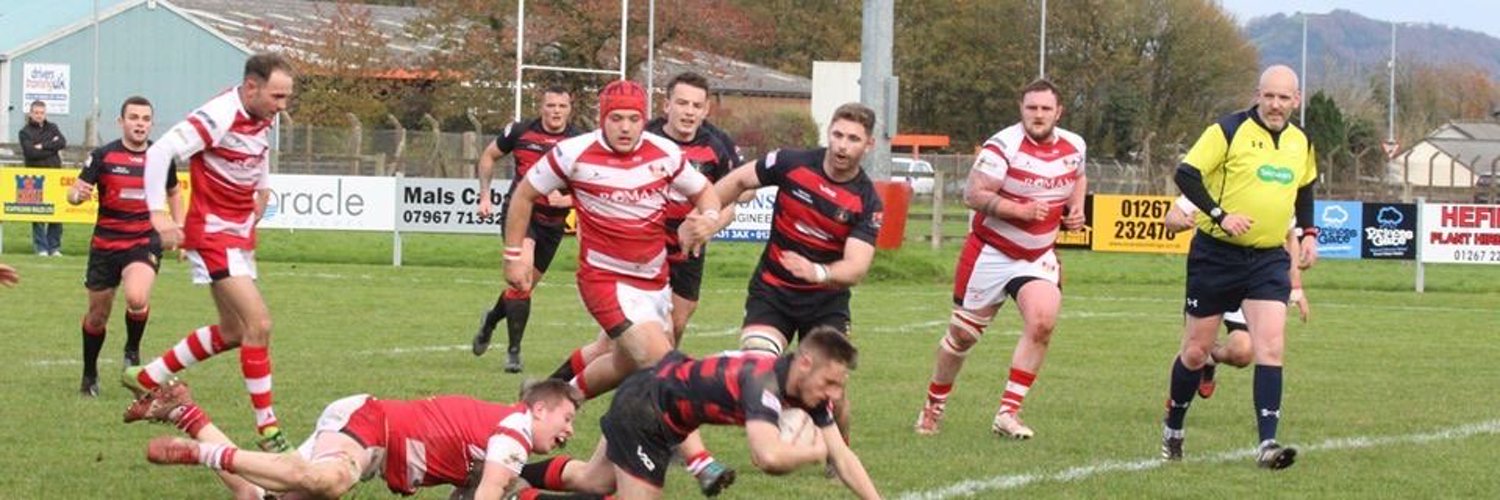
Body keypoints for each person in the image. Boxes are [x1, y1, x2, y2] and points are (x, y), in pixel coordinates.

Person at [504, 79, 729, 495]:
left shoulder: (664, 153)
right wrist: (514, 254)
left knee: (626, 363)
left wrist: (708, 218)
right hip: (604, 279)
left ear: (645, 119)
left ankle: (545, 404)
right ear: (601, 118)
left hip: (654, 282)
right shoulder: (573, 152)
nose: (626, 127)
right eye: (616, 118)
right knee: (663, 361)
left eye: (634, 119)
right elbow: (524, 196)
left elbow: (706, 193)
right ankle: (701, 462)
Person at [125, 52, 297, 453]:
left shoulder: (261, 112)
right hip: (213, 233)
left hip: (238, 231)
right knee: (260, 324)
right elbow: (159, 152)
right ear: (251, 87)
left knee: (236, 332)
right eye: (277, 96)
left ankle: (149, 376)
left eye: (287, 97)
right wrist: (158, 214)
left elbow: (260, 150)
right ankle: (269, 430)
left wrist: (262, 187)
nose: (282, 106)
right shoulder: (219, 114)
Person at [1159, 65, 1318, 470]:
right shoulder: (1227, 131)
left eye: (1284, 98)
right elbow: (1186, 173)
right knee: (1195, 352)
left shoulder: (1302, 142)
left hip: (1267, 258)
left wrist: (1310, 233)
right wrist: (1220, 213)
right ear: (1258, 95)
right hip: (1217, 254)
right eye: (1269, 96)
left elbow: (1304, 189)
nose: (1276, 105)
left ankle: (1267, 444)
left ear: (1296, 100)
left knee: (1270, 348)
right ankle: (1173, 427)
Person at [913, 79, 1087, 439]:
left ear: (1059, 112)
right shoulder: (1002, 146)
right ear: (1021, 109)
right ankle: (933, 405)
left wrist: (1076, 207)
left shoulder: (1075, 146)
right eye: (1031, 108)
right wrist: (1018, 210)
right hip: (991, 253)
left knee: (1042, 322)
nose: (1038, 115)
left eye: (1045, 109)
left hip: (1038, 255)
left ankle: (1008, 413)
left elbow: (1078, 176)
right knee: (962, 337)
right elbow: (973, 194)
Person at [518, 328, 880, 500]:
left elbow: (844, 457)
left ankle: (509, 480)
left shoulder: (807, 391)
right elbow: (767, 457)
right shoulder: (763, 383)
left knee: (592, 483)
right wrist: (813, 452)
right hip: (646, 410)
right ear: (804, 363)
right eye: (830, 382)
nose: (834, 393)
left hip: (659, 404)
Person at [547, 72, 743, 383]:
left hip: (686, 250)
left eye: (696, 105)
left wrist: (708, 224)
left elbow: (739, 194)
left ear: (706, 110)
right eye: (681, 103)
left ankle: (654, 389)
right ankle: (554, 388)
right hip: (637, 249)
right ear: (666, 105)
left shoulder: (719, 146)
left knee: (674, 326)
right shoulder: (640, 134)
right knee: (611, 343)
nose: (688, 111)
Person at [709, 102, 884, 449]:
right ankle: (773, 443)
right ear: (828, 133)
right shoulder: (791, 162)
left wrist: (817, 272)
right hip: (772, 291)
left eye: (852, 139)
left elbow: (857, 267)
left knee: (829, 388)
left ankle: (840, 449)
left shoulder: (867, 201)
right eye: (837, 135)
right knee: (759, 365)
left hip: (825, 303)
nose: (842, 146)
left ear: (868, 145)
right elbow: (741, 179)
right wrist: (706, 214)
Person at [129, 378, 581, 500]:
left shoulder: (502, 433)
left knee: (259, 495)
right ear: (538, 408)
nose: (569, 431)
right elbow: (487, 495)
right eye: (566, 417)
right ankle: (203, 452)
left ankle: (185, 413)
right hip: (371, 426)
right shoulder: (514, 435)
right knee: (329, 481)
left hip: (372, 435)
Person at [67, 96, 185, 397]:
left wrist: (179, 227)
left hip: (143, 240)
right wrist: (76, 195)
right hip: (105, 244)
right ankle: (89, 374)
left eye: (145, 119)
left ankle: (132, 349)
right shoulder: (103, 156)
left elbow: (174, 191)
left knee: (136, 296)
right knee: (97, 316)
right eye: (134, 118)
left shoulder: (161, 156)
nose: (140, 124)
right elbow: (76, 193)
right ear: (121, 122)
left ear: (151, 123)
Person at [471, 85, 584, 373]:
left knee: (523, 285)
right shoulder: (521, 132)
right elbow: (488, 157)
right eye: (550, 105)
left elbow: (592, 184)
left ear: (570, 108)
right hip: (520, 214)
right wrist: (485, 194)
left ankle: (491, 320)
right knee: (520, 281)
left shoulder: (580, 141)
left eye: (562, 106)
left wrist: (569, 199)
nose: (556, 111)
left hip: (553, 222)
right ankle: (514, 352)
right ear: (541, 106)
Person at [1162, 195, 1311, 399]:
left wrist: (1296, 286)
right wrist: (1179, 221)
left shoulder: (1272, 187)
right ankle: (1174, 410)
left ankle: (1211, 360)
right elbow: (1172, 217)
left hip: (1254, 275)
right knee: (1194, 351)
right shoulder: (1212, 180)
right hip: (1212, 273)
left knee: (1242, 353)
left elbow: (1290, 236)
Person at [18, 100, 67, 256]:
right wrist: (51, 147)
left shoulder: (53, 127)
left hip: (55, 175)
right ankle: (41, 247)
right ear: (31, 113)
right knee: (38, 213)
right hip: (36, 178)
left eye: (42, 112)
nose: (39, 115)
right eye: (36, 112)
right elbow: (31, 153)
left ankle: (54, 247)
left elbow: (62, 142)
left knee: (57, 212)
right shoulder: (24, 132)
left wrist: (42, 146)